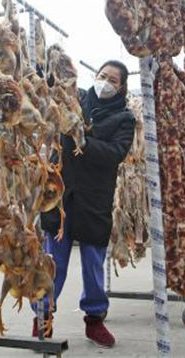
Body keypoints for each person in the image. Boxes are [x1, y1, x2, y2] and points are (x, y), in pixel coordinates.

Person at [35, 60, 136, 348]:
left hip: (94, 199)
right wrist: (44, 68)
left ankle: (94, 320)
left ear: (121, 87)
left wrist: (82, 138)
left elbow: (115, 153)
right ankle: (42, 317)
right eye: (102, 76)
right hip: (60, 194)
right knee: (53, 262)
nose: (105, 81)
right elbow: (51, 86)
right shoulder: (75, 99)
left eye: (113, 80)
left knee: (93, 265)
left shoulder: (124, 119)